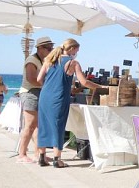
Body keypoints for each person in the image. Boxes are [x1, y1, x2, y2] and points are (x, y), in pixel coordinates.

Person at [36, 38, 102, 168]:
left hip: (45, 96)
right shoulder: (73, 63)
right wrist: (99, 87)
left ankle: (42, 157)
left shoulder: (49, 60)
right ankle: (57, 159)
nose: (76, 53)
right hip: (59, 98)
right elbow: (84, 82)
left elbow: (39, 79)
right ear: (71, 49)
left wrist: (50, 87)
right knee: (58, 126)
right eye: (76, 50)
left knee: (44, 125)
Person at [17, 37, 54, 164]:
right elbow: (31, 79)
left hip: (39, 92)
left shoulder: (46, 60)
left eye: (51, 48)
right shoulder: (32, 60)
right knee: (30, 125)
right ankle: (22, 154)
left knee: (39, 125)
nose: (51, 50)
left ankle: (38, 153)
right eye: (48, 48)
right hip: (30, 92)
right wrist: (47, 85)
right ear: (39, 48)